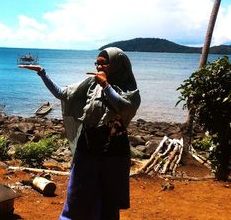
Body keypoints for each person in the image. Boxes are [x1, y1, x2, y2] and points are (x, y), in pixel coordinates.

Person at [19, 47, 140, 220]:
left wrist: (106, 85)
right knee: (78, 193)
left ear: (117, 65)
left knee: (109, 199)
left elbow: (124, 107)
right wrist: (42, 73)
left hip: (114, 151)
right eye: (96, 64)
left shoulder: (130, 89)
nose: (98, 67)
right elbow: (62, 94)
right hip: (88, 146)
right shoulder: (91, 84)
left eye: (103, 64)